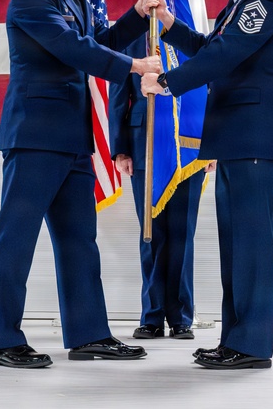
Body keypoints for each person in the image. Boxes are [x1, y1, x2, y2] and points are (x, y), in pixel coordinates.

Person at [0, 0, 163, 369]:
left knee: (80, 241)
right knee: (16, 239)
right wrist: (137, 66)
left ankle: (88, 336)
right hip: (36, 138)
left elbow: (96, 41)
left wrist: (137, 16)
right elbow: (71, 48)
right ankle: (1, 339)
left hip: (73, 141)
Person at [141, 0, 273, 370]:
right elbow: (213, 48)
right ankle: (236, 340)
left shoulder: (263, 3)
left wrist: (168, 83)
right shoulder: (238, 7)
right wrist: (171, 25)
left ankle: (250, 346)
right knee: (236, 248)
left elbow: (224, 55)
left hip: (255, 142)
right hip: (236, 143)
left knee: (252, 249)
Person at [109, 37, 208, 341]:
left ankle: (180, 317)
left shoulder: (191, 41)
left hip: (189, 149)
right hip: (145, 146)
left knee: (182, 233)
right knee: (151, 233)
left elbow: (209, 92)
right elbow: (118, 97)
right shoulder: (132, 43)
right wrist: (121, 149)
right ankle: (152, 316)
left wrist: (211, 147)